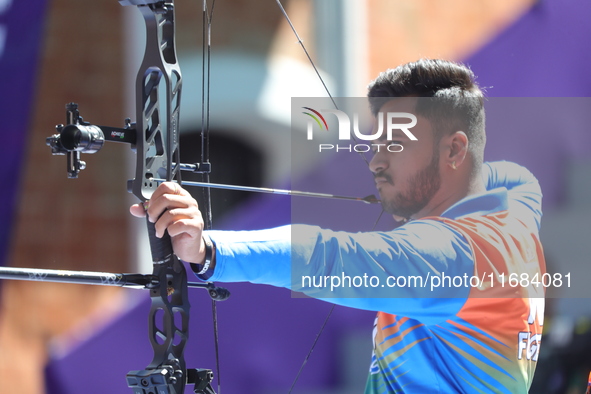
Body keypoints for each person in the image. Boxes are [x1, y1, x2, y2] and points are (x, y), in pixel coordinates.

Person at [131, 59, 546, 393]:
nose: (377, 161)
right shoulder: (516, 213)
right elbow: (514, 177)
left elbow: (329, 257)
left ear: (455, 148)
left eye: (396, 143)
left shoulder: (446, 256)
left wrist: (208, 251)